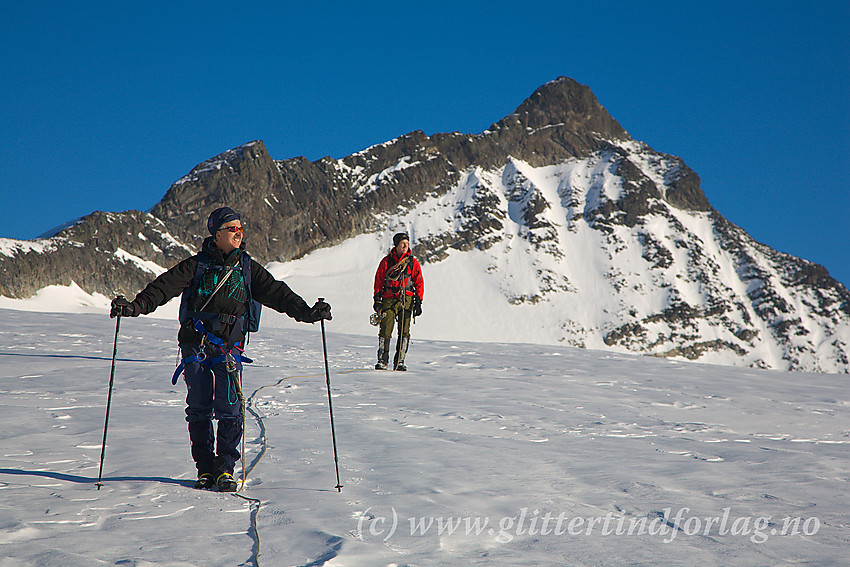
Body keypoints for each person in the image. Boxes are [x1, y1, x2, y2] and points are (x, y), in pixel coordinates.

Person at [110, 207, 331, 491]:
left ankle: (225, 469)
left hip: (229, 348)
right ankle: (205, 469)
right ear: (216, 234)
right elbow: (162, 288)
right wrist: (133, 307)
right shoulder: (196, 266)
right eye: (232, 228)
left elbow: (279, 294)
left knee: (230, 409)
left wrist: (309, 312)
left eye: (240, 227)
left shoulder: (248, 269)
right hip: (196, 347)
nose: (238, 232)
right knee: (200, 409)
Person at [372, 232, 424, 371]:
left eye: (407, 243)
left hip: (406, 300)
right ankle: (382, 361)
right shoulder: (386, 261)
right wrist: (377, 298)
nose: (405, 245)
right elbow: (379, 280)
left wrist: (418, 301)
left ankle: (400, 361)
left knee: (404, 331)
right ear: (396, 245)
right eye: (402, 243)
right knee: (385, 329)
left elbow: (419, 282)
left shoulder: (413, 263)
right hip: (388, 299)